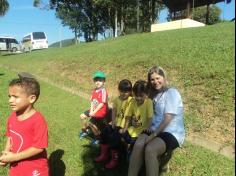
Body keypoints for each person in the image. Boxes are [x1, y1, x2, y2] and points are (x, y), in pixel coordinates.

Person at [128, 66, 185, 176]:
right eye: (152, 79)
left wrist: (153, 135)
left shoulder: (171, 92)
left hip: (171, 131)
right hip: (154, 128)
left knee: (150, 149)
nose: (155, 82)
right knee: (139, 144)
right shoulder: (153, 96)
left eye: (158, 78)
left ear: (164, 77)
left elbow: (168, 118)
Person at [0, 74, 49, 176]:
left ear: (31, 99)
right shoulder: (12, 117)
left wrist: (14, 157)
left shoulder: (38, 120)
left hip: (34, 169)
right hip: (16, 168)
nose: (10, 100)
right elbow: (10, 137)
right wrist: (6, 153)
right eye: (10, 96)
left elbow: (39, 147)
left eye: (15, 97)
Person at [94, 79, 133, 169]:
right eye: (121, 91)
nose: (123, 93)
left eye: (126, 91)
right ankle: (104, 154)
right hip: (116, 123)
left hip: (125, 126)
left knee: (114, 137)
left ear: (130, 91)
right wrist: (112, 122)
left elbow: (129, 116)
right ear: (119, 90)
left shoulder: (131, 101)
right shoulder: (116, 99)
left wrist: (124, 128)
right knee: (104, 132)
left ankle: (114, 160)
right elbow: (114, 112)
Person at [79, 71, 109, 145]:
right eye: (96, 80)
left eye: (100, 80)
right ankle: (86, 131)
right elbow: (92, 101)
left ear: (104, 81)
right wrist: (91, 110)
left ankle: (97, 138)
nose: (97, 82)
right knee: (82, 116)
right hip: (95, 109)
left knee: (91, 123)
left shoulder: (103, 91)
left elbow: (102, 104)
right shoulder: (95, 90)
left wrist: (93, 112)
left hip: (101, 111)